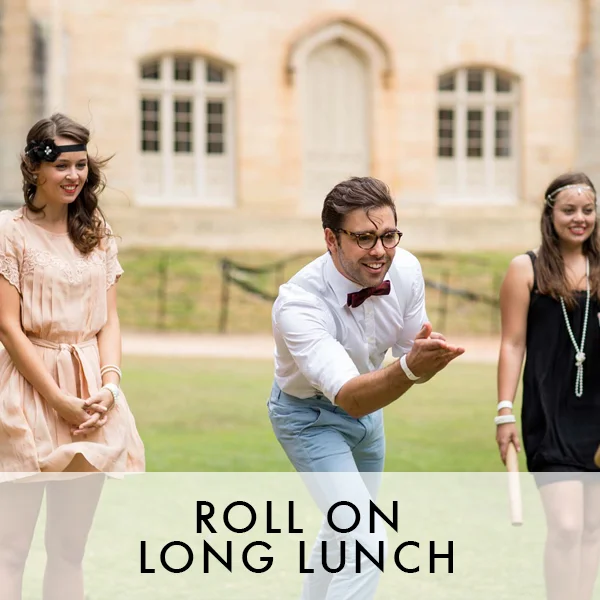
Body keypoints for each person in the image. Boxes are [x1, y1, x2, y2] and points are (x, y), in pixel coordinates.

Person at [268, 176, 464, 600]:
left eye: (388, 236)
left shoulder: (405, 269)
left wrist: (425, 356)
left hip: (371, 412)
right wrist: (410, 369)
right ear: (331, 239)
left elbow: (410, 351)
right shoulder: (299, 302)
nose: (380, 251)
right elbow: (351, 396)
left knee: (344, 531)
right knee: (366, 538)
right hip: (309, 418)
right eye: (364, 238)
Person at [0, 113, 145, 600]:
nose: (73, 176)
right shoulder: (9, 232)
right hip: (26, 394)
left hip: (90, 398)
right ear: (34, 169)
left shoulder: (96, 231)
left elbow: (109, 319)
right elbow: (7, 326)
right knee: (9, 550)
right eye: (61, 165)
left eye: (80, 165)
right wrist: (57, 399)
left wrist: (110, 386)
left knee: (68, 550)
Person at [496, 172, 600, 600]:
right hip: (549, 413)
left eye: (588, 210)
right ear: (550, 213)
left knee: (593, 529)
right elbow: (512, 343)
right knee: (567, 526)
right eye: (569, 210)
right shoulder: (526, 269)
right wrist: (504, 411)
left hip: (596, 416)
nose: (580, 218)